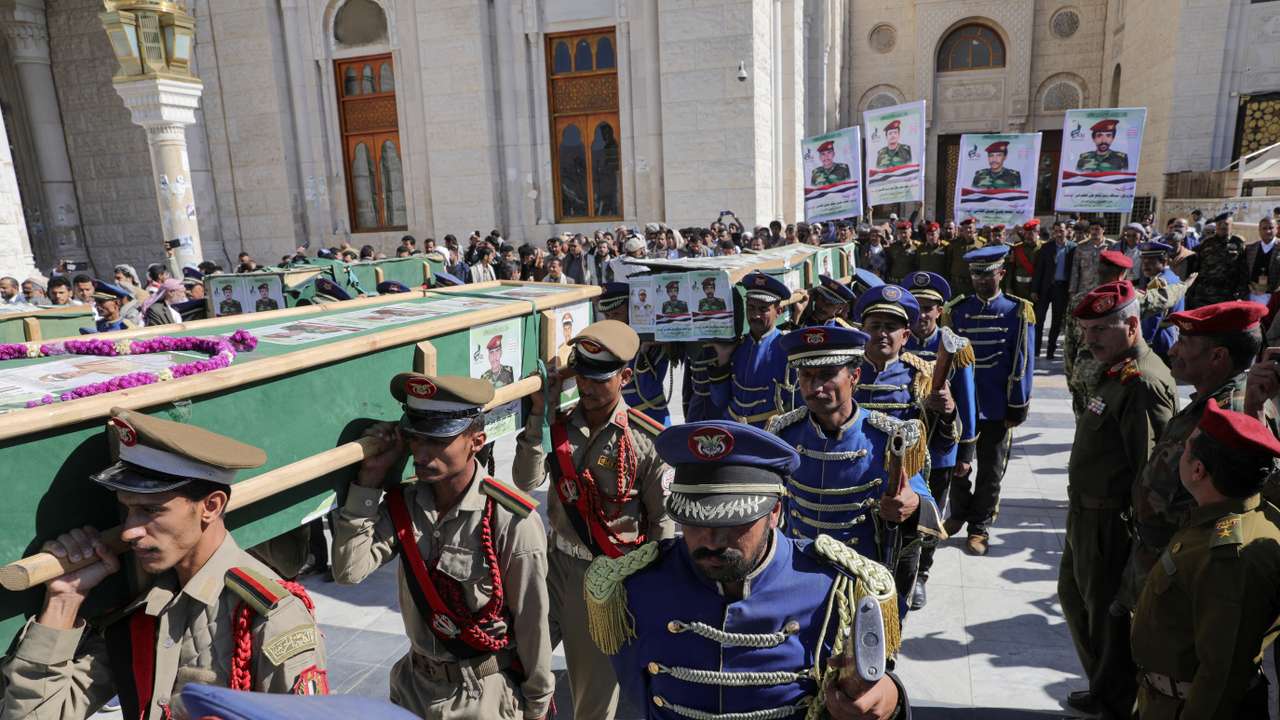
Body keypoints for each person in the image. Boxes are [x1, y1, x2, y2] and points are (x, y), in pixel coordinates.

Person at [0, 409, 327, 719]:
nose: (129, 531)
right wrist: (63, 599)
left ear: (211, 506)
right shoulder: (143, 608)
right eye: (127, 510)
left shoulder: (268, 616)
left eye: (151, 511)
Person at [588, 420, 911, 720]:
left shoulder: (837, 587)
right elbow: (634, 692)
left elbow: (871, 685)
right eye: (695, 521)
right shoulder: (636, 587)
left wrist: (890, 699)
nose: (712, 540)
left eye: (733, 521)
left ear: (775, 513)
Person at [331, 373, 552, 719]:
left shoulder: (510, 520)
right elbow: (348, 570)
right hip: (413, 689)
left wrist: (537, 708)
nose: (421, 450)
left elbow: (532, 625)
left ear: (476, 441)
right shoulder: (405, 506)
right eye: (415, 437)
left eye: (437, 440)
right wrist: (370, 480)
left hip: (482, 696)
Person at [513, 320, 673, 720]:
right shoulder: (558, 425)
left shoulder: (645, 440)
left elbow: (663, 528)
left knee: (591, 699)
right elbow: (524, 479)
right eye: (581, 375)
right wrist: (537, 416)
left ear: (625, 376)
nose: (586, 386)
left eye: (599, 378)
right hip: (552, 568)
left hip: (604, 580)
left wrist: (646, 592)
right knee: (514, 664)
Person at [1059, 280, 1177, 718]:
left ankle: (1114, 699)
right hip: (1086, 517)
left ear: (1131, 325)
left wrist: (1143, 543)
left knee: (1107, 613)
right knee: (1077, 599)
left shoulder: (1142, 381)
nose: (1089, 341)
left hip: (1111, 523)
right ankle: (1103, 684)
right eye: (1086, 330)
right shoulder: (1116, 373)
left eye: (1099, 330)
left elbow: (1151, 471)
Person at [765, 325, 937, 619]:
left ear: (854, 377)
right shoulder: (783, 432)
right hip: (795, 573)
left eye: (827, 376)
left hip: (860, 579)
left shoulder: (888, 437)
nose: (815, 388)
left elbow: (927, 508)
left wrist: (911, 504)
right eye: (806, 376)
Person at [1130, 399, 1280, 719]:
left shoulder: (1229, 557)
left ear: (1198, 469)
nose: (1181, 454)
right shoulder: (1238, 516)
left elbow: (1220, 674)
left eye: (1186, 449)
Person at [1120, 301, 1262, 635]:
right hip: (1161, 562)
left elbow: (1228, 513)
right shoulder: (1207, 404)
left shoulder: (1231, 419)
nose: (1172, 350)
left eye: (1185, 343)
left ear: (1218, 357)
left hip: (1185, 575)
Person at [945, 246, 1035, 555]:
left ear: (1001, 273)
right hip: (961, 407)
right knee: (957, 466)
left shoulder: (1017, 311)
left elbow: (1023, 361)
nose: (981, 280)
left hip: (997, 404)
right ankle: (957, 514)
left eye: (987, 274)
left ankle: (979, 526)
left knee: (991, 470)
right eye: (975, 275)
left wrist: (1017, 405)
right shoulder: (957, 310)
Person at [903, 271, 978, 609]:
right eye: (916, 306)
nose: (922, 314)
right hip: (902, 446)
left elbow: (968, 401)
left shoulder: (955, 346)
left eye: (929, 307)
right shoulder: (898, 342)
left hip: (941, 448)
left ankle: (921, 574)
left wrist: (967, 451)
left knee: (930, 515)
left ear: (940, 309)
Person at [708, 272, 796, 427]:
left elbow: (797, 404)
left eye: (763, 309)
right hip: (733, 428)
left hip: (770, 433)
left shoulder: (787, 347)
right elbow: (719, 401)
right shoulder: (736, 345)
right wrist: (723, 358)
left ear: (779, 311)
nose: (755, 315)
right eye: (751, 308)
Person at [598, 283, 672, 426]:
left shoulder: (652, 342)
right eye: (607, 315)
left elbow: (648, 389)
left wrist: (642, 351)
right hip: (621, 420)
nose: (611, 320)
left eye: (617, 314)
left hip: (652, 417)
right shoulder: (608, 343)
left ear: (631, 312)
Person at [1186, 211, 1248, 309]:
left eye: (1226, 224)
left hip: (1227, 294)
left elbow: (1244, 270)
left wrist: (1241, 292)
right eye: (1219, 224)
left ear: (1232, 225)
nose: (1223, 226)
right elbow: (1196, 267)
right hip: (1204, 294)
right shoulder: (1206, 243)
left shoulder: (1238, 243)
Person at [1136, 241, 1184, 362]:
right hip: (1171, 335)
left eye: (1151, 261)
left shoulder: (1159, 283)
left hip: (1159, 338)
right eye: (1143, 261)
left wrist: (1143, 341)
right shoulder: (1171, 276)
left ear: (1164, 261)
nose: (1145, 265)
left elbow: (1153, 317)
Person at [946, 217, 984, 296]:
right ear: (962, 230)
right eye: (965, 228)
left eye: (970, 228)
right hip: (956, 285)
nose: (968, 230)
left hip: (973, 285)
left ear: (974, 229)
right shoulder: (954, 244)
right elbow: (948, 262)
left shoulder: (981, 244)